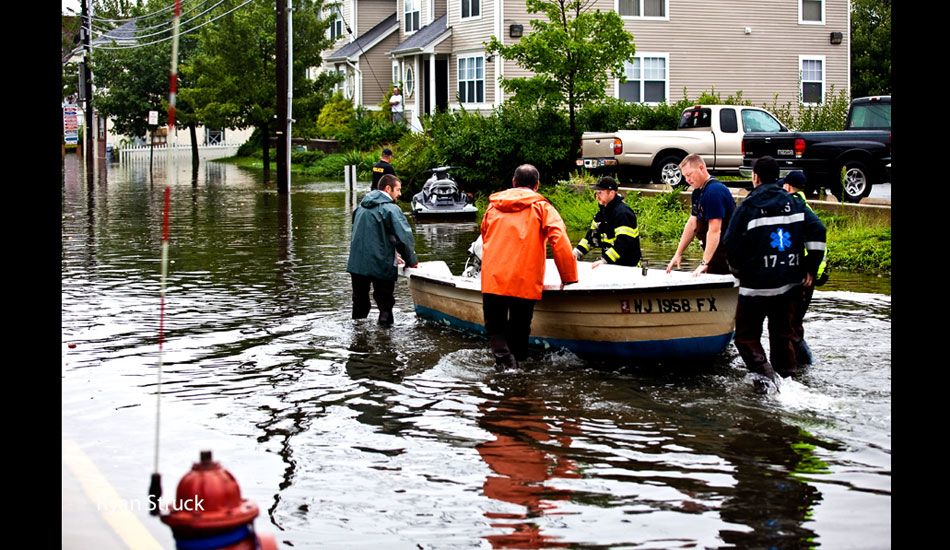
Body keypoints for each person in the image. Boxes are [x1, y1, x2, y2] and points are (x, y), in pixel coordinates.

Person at [723, 157, 826, 388]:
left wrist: (739, 272)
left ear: (755, 177)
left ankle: (765, 378)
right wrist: (810, 267)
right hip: (788, 284)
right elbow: (818, 230)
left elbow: (730, 244)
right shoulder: (795, 204)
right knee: (782, 334)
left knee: (746, 337)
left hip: (755, 286)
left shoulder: (748, 207)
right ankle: (788, 380)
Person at [480, 164, 578, 369]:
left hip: (494, 278)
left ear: (513, 183)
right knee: (520, 328)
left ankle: (506, 363)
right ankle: (518, 369)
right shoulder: (543, 207)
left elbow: (485, 235)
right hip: (525, 279)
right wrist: (568, 277)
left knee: (495, 327)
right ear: (537, 185)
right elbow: (559, 240)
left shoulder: (492, 206)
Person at [346, 174, 418, 326]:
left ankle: (358, 342)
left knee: (359, 303)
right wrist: (411, 261)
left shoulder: (360, 207)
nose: (399, 194)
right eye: (398, 189)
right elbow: (403, 239)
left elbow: (364, 235)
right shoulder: (391, 209)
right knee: (385, 304)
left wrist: (394, 254)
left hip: (357, 264)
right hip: (381, 263)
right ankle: (386, 341)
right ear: (388, 188)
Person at [780, 170, 829, 365]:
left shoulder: (796, 207)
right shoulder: (803, 205)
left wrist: (809, 269)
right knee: (794, 325)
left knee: (790, 326)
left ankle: (806, 365)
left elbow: (819, 231)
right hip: (808, 274)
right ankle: (801, 367)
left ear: (788, 187)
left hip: (804, 276)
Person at [667, 154, 735, 276]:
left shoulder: (714, 192)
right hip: (713, 257)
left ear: (701, 169)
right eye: (685, 176)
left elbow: (715, 230)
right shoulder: (697, 193)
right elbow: (692, 223)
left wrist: (704, 263)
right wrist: (678, 253)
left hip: (727, 258)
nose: (687, 179)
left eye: (689, 175)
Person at [572, 176, 642, 268]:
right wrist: (576, 253)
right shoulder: (601, 214)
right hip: (612, 267)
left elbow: (623, 243)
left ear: (612, 193)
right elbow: (592, 238)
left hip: (628, 269)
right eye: (596, 193)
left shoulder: (623, 213)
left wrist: (604, 260)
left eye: (600, 193)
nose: (597, 196)